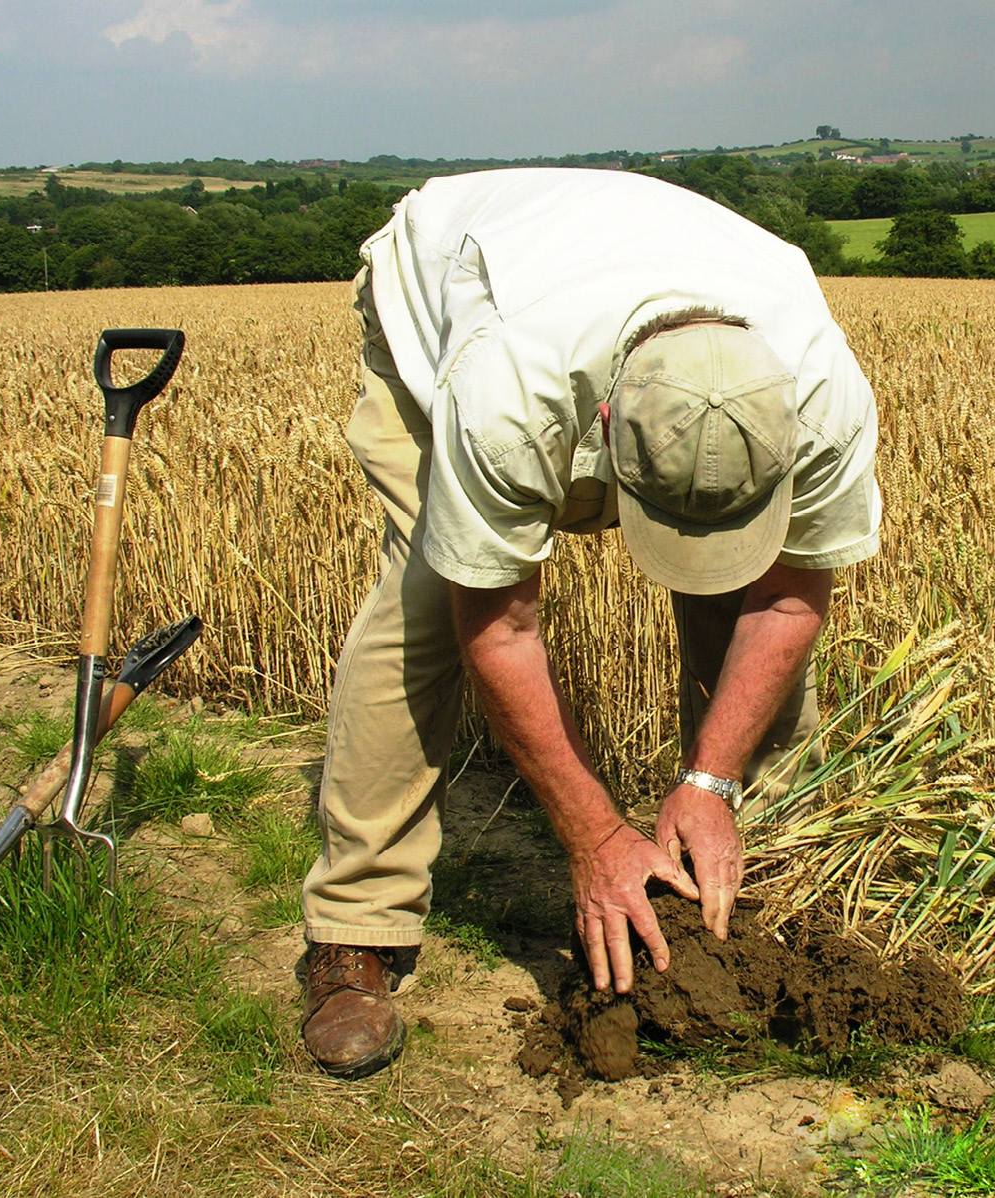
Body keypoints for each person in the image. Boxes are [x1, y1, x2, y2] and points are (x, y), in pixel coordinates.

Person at [300, 168, 880, 1079]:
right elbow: (498, 624)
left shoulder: (818, 393)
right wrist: (594, 834)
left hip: (606, 290)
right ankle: (355, 923)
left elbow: (787, 596)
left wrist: (711, 780)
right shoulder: (502, 389)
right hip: (451, 287)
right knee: (422, 602)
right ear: (602, 426)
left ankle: (729, 890)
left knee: (743, 614)